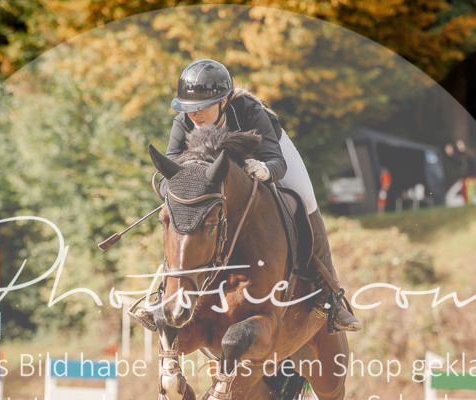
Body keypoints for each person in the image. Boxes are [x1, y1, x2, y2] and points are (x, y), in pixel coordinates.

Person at [132, 58, 361, 333]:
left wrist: (264, 170)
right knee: (181, 217)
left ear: (224, 101)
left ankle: (331, 296)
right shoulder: (184, 121)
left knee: (306, 198)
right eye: (189, 108)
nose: (195, 115)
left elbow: (277, 162)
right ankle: (162, 293)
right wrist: (185, 193)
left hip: (267, 152)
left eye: (202, 107)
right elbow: (172, 170)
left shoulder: (250, 112)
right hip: (213, 180)